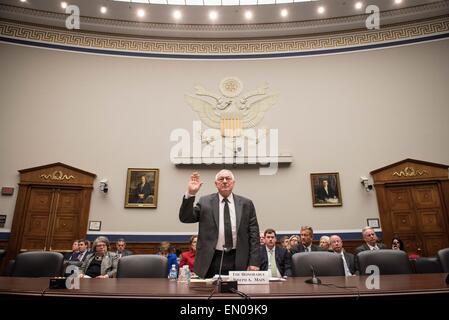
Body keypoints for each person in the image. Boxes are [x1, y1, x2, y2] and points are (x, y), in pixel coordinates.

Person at [179, 170, 260, 278]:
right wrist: (191, 194)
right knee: (208, 292)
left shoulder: (246, 204)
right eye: (221, 179)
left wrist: (254, 262)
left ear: (233, 183)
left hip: (239, 257)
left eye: (228, 178)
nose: (225, 181)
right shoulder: (205, 201)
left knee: (238, 293)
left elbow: (254, 234)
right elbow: (186, 218)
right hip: (211, 258)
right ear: (216, 184)